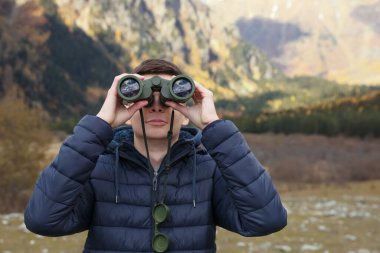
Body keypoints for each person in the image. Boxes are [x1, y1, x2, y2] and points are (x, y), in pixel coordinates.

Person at [24, 59, 287, 253]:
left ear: (185, 113)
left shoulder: (209, 168)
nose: (157, 107)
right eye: (146, 100)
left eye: (170, 100)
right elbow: (43, 219)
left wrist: (213, 126)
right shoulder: (97, 166)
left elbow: (267, 220)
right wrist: (101, 123)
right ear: (128, 108)